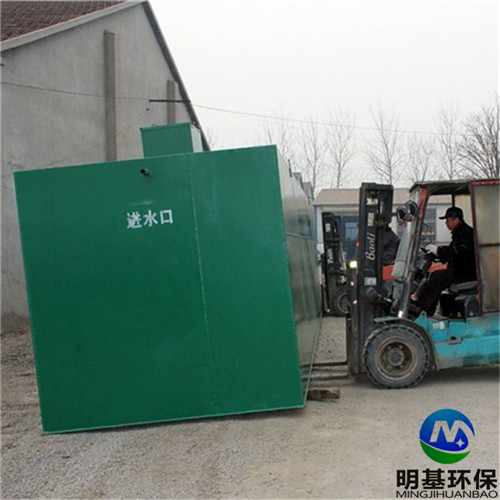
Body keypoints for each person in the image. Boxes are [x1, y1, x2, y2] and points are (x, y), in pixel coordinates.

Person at [414, 206, 477, 316]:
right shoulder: (458, 233)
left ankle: (423, 311)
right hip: (458, 271)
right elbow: (451, 252)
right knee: (434, 276)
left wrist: (438, 250)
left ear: (456, 220)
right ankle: (423, 307)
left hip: (464, 274)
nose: (446, 223)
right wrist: (438, 253)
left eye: (448, 220)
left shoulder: (466, 233)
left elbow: (458, 251)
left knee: (437, 278)